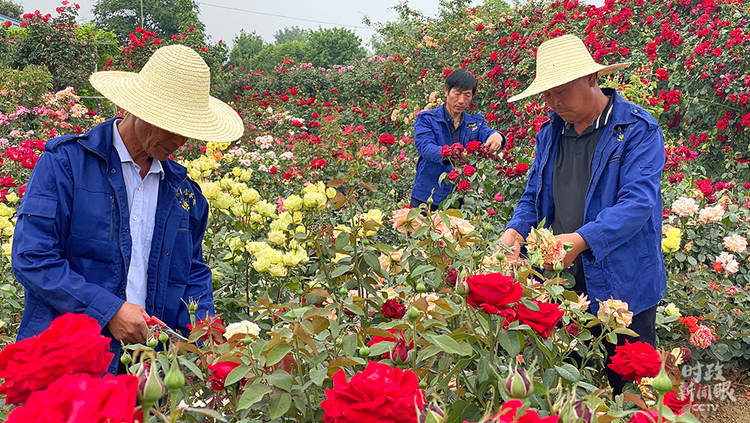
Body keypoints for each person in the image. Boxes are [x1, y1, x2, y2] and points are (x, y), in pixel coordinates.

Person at [11, 45, 244, 373]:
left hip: (147, 367)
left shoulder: (184, 193)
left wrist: (207, 338)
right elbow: (32, 259)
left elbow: (192, 273)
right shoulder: (66, 165)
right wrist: (109, 311)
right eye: (171, 125)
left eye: (188, 129)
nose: (180, 140)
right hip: (68, 359)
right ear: (138, 108)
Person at [499, 35, 667, 395]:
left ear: (591, 78)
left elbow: (637, 203)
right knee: (559, 383)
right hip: (562, 284)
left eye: (561, 90)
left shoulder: (637, 130)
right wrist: (515, 230)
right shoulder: (550, 132)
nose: (554, 102)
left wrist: (581, 240)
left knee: (631, 388)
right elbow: (534, 195)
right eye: (546, 94)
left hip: (623, 285)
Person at [411, 69, 506, 210]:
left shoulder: (475, 123)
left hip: (461, 199)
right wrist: (451, 155)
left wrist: (497, 136)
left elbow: (488, 133)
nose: (461, 101)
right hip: (427, 198)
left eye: (467, 95)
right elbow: (425, 146)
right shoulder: (426, 119)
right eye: (457, 93)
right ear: (446, 91)